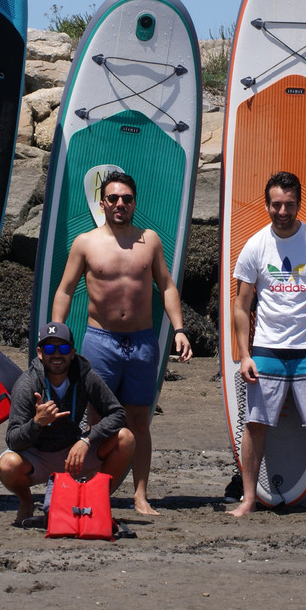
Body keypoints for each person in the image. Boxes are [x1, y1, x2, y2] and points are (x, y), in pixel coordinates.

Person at [51, 170, 191, 515]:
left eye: (126, 199)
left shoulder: (150, 241)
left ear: (134, 203)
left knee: (139, 420)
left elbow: (166, 285)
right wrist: (56, 333)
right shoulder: (86, 242)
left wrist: (179, 329)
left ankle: (140, 495)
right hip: (101, 341)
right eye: (113, 198)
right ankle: (95, 490)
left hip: (142, 343)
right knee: (98, 420)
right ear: (102, 203)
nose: (119, 204)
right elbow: (65, 289)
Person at [227, 171, 306, 520]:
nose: (283, 211)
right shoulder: (255, 245)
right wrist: (244, 354)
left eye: (289, 205)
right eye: (276, 205)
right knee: (255, 424)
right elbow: (241, 304)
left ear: (299, 204)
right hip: (267, 349)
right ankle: (249, 499)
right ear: (267, 204)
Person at [0, 321, 135, 525]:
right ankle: (26, 501)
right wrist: (37, 423)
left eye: (63, 349)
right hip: (37, 457)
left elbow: (117, 413)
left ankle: (95, 501)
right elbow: (13, 440)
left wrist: (87, 439)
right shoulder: (27, 384)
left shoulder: (85, 376)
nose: (57, 355)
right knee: (7, 465)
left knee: (126, 438)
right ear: (40, 353)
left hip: (75, 454)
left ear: (72, 353)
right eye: (50, 349)